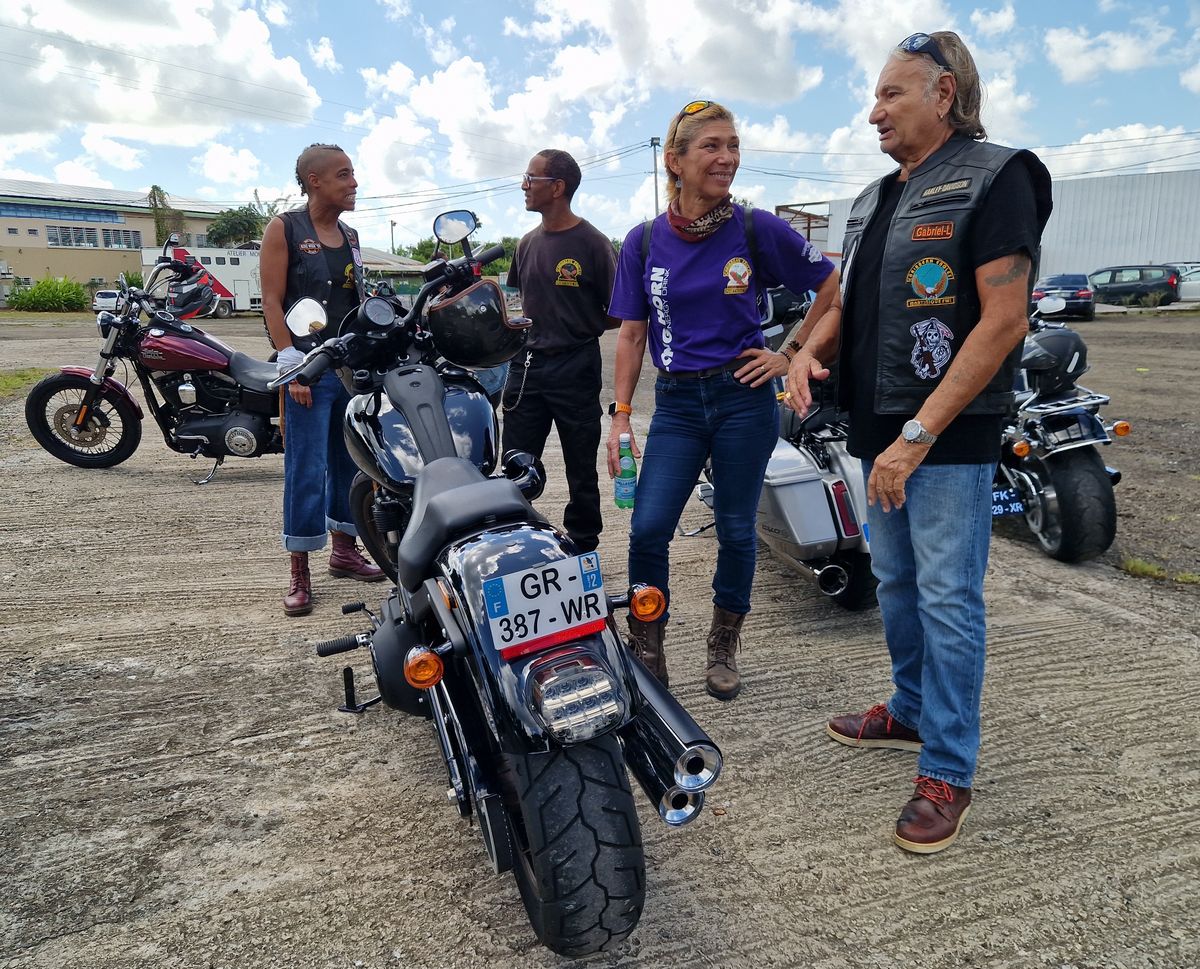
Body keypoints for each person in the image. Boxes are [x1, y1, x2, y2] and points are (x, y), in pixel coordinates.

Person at [785, 31, 1052, 852]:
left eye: (891, 94)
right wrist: (804, 353)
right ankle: (909, 710)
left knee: (947, 597)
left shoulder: (998, 176)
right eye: (875, 95)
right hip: (878, 427)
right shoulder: (874, 197)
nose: (874, 111)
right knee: (896, 581)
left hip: (946, 436)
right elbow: (844, 301)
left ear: (944, 95)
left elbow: (1004, 319)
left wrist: (919, 434)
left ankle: (948, 768)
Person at [607, 100, 839, 700]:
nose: (727, 157)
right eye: (711, 145)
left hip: (744, 398)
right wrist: (622, 418)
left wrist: (790, 352)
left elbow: (830, 284)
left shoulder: (755, 228)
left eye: (733, 145)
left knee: (736, 529)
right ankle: (648, 646)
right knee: (648, 527)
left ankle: (723, 644)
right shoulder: (643, 241)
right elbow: (631, 334)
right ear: (674, 160)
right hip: (678, 404)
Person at [260, 143, 384, 617]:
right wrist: (290, 362)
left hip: (348, 370)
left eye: (352, 174)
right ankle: (299, 568)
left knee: (350, 463)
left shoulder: (351, 236)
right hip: (306, 371)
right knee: (306, 469)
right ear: (315, 181)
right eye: (344, 175)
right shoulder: (285, 228)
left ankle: (344, 551)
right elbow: (272, 300)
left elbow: (355, 303)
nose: (354, 183)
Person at [502, 149, 618, 554]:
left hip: (576, 365)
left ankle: (583, 545)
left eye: (530, 178)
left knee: (580, 465)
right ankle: (516, 541)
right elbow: (521, 303)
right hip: (527, 367)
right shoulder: (526, 244)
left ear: (557, 187)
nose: (523, 185)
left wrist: (576, 326)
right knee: (516, 463)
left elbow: (618, 313)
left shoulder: (593, 243)